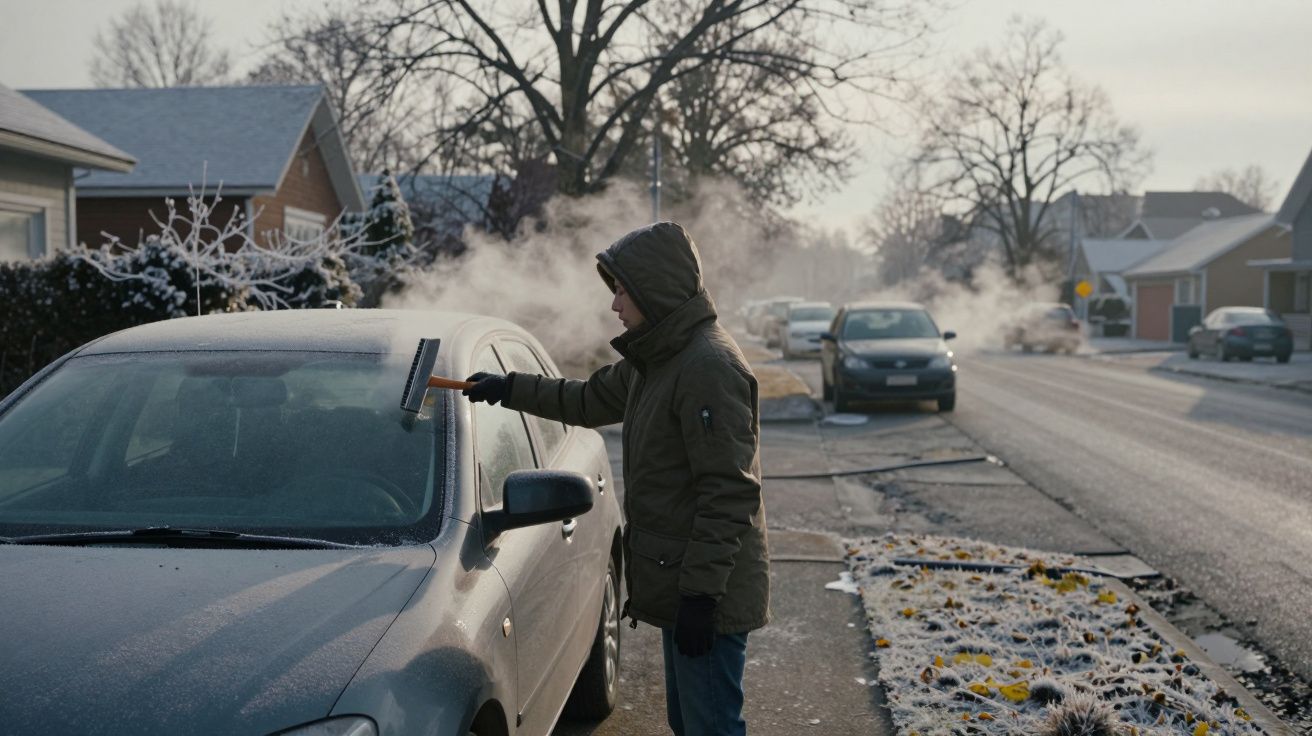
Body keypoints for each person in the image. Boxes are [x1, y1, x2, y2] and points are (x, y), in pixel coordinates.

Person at [463, 221, 769, 736]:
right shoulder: (655, 361)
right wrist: (507, 388)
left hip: (707, 590)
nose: (614, 305)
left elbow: (729, 493)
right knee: (691, 722)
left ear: (655, 291)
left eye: (622, 291)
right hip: (687, 583)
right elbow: (582, 399)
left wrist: (700, 598)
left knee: (711, 725)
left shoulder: (708, 367)